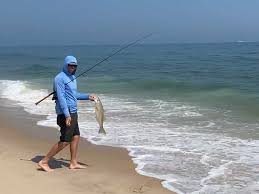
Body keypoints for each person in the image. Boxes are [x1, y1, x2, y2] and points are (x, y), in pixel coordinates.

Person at [38, 55, 95, 172]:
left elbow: (74, 95)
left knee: (76, 136)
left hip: (73, 112)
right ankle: (44, 161)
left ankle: (73, 163)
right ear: (65, 65)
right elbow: (62, 97)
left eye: (74, 66)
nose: (72, 68)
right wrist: (67, 115)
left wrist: (87, 96)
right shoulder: (59, 78)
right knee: (65, 140)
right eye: (70, 65)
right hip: (66, 113)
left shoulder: (73, 77)